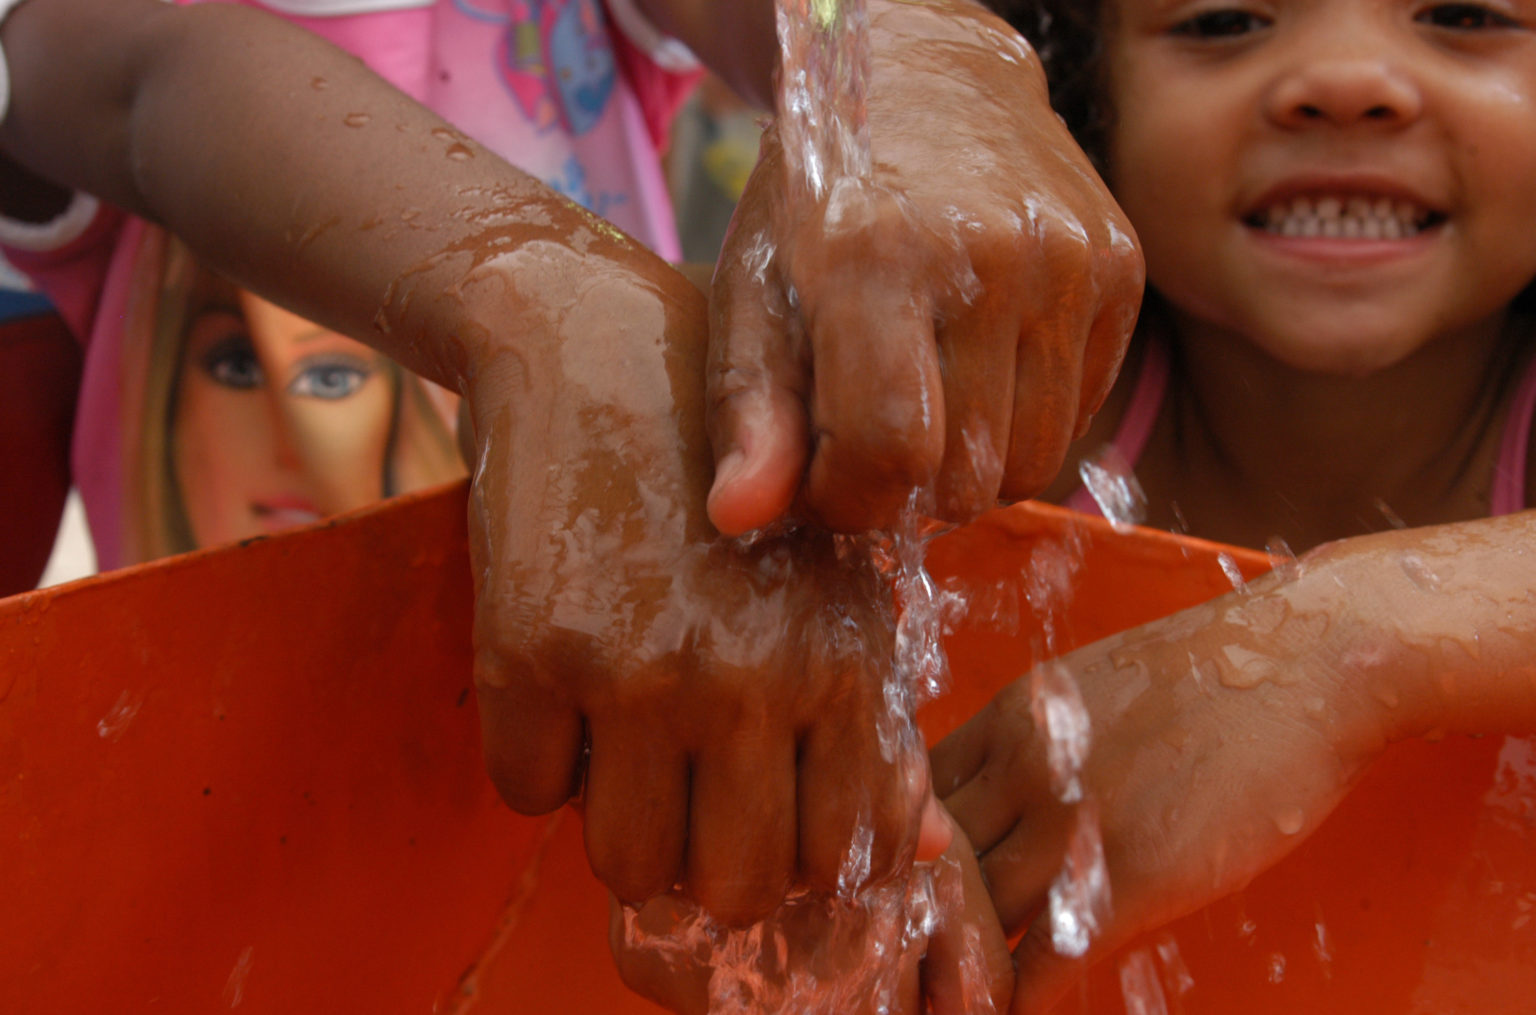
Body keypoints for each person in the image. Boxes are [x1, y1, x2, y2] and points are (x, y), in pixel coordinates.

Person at [0, 0, 1143, 944]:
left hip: (599, 838)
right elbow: (138, 81)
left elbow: (806, 15)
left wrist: (906, 48)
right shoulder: (74, 37)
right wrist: (542, 297)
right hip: (235, 839)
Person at [928, 0, 1536, 1008]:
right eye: (1222, 22)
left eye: (1465, 15)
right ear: (1082, 90)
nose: (1347, 82)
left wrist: (1347, 638)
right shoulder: (1014, 407)